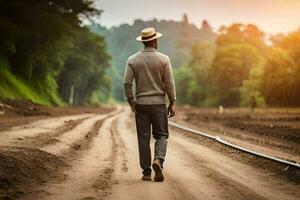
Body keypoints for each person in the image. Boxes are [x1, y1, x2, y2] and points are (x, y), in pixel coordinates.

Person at [123, 27, 176, 182]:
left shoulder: (132, 60)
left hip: (141, 105)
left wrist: (131, 102)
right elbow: (169, 83)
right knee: (161, 135)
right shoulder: (164, 59)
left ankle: (146, 172)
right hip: (159, 104)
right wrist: (172, 102)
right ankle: (158, 160)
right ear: (154, 40)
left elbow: (127, 83)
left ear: (144, 42)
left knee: (143, 138)